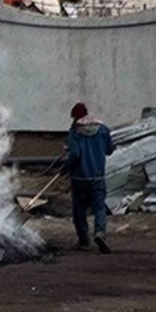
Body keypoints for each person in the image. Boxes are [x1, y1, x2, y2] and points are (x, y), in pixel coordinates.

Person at [66, 102, 115, 254]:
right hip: (98, 176)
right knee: (99, 207)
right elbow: (109, 150)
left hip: (79, 177)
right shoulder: (103, 130)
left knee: (79, 209)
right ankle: (100, 233)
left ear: (76, 117)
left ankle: (84, 240)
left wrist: (66, 167)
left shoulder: (75, 132)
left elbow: (75, 154)